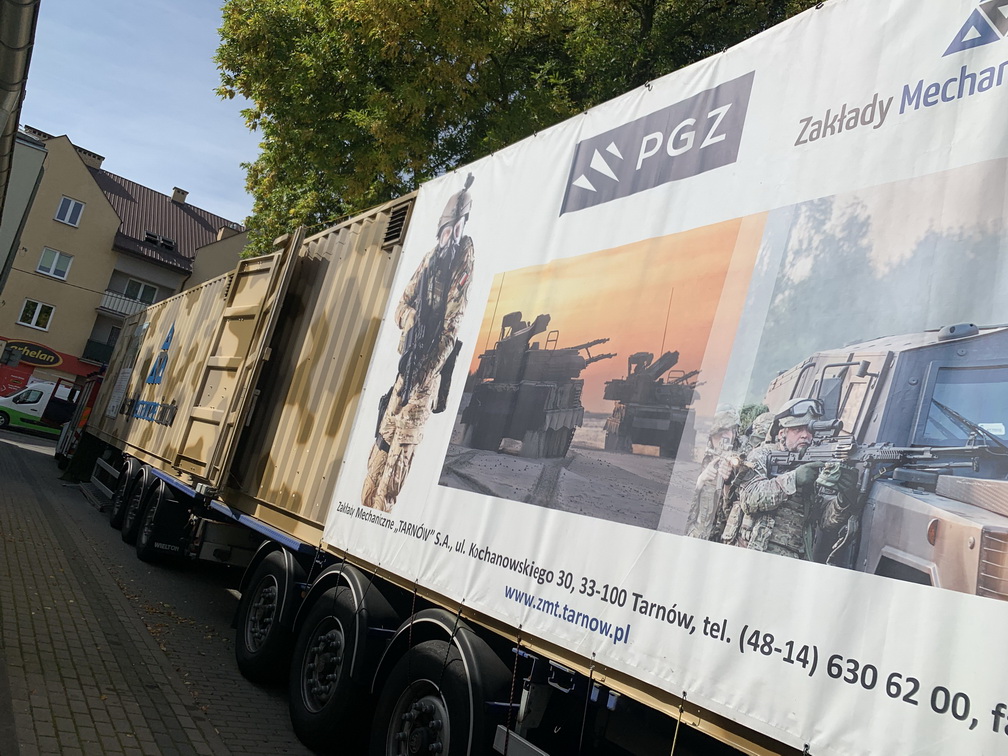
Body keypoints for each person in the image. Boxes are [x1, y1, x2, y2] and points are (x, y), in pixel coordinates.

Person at [361, 174, 475, 512]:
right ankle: (365, 507)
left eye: (457, 229)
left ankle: (380, 512)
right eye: (447, 229)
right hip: (406, 367)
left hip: (426, 375)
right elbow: (401, 306)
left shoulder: (462, 265)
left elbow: (451, 328)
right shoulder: (428, 261)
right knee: (383, 440)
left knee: (401, 450)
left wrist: (425, 374)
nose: (451, 236)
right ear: (440, 229)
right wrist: (411, 319)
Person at [731, 398, 858, 561]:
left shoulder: (816, 463)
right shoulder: (763, 454)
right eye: (797, 429)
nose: (805, 435)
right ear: (782, 433)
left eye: (809, 429)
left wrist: (843, 499)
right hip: (755, 552)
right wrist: (794, 479)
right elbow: (749, 498)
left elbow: (826, 521)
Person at [685, 407, 739, 540]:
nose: (725, 437)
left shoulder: (739, 462)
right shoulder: (697, 459)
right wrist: (700, 480)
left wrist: (728, 483)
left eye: (729, 430)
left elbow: (733, 513)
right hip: (695, 536)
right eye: (720, 432)